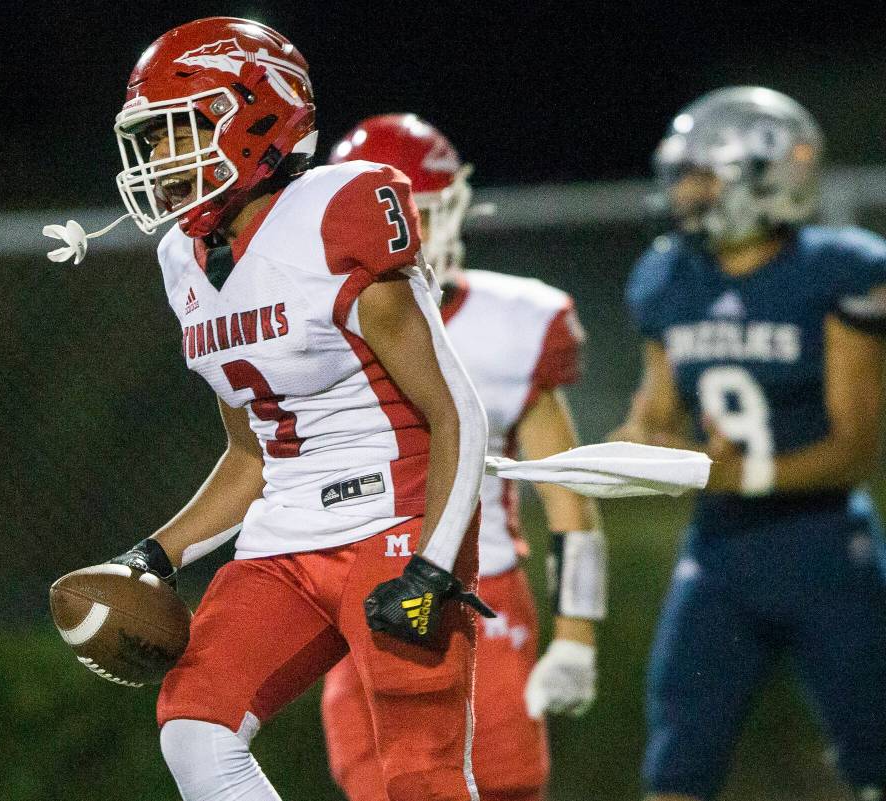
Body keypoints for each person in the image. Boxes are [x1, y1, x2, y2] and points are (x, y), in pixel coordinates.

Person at [61, 17, 496, 801]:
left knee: (419, 774)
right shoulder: (181, 258)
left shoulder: (340, 211)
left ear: (257, 115)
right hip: (286, 539)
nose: (161, 159)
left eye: (177, 131)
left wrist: (434, 564)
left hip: (394, 521)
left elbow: (455, 413)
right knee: (195, 728)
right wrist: (150, 557)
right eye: (152, 139)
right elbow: (249, 456)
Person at [612, 86, 886, 801]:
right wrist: (631, 450)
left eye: (699, 175)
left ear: (763, 176)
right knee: (676, 767)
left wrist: (743, 476)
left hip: (825, 550)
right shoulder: (670, 277)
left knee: (875, 758)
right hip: (720, 553)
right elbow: (656, 411)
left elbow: (856, 446)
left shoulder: (837, 271)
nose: (683, 193)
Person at [322, 114, 606, 801]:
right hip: (358, 593)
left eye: (420, 214)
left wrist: (576, 636)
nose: (407, 235)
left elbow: (567, 493)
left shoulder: (514, 323)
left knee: (503, 789)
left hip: (479, 596)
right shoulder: (308, 327)